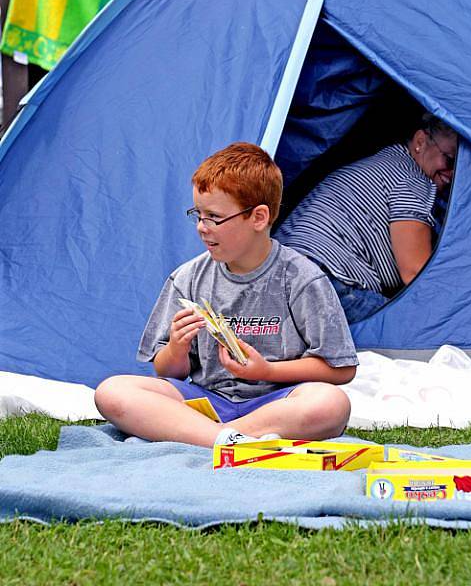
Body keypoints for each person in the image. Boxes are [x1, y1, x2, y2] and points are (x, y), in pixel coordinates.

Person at [95, 142, 358, 448]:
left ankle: (218, 437)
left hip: (277, 403)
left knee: (331, 403)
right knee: (112, 391)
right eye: (198, 215)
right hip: (206, 402)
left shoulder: (302, 278)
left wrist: (268, 371)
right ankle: (230, 440)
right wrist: (177, 348)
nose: (202, 228)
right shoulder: (188, 277)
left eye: (214, 217)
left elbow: (341, 369)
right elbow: (167, 371)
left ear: (258, 218)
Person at [275, 113, 457, 324]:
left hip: (276, 274)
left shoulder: (384, 164)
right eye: (450, 159)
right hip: (323, 279)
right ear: (420, 142)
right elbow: (416, 273)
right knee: (413, 331)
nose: (452, 173)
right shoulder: (413, 181)